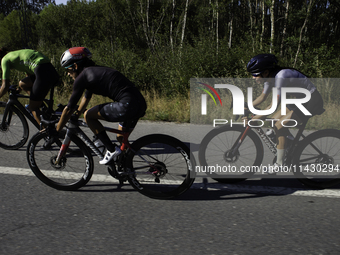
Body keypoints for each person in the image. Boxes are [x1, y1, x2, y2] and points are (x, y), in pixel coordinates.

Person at [56, 47, 147, 165]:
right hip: (139, 103)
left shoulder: (82, 77)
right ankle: (125, 167)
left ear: (75, 66)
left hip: (127, 105)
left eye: (68, 70)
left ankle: (111, 149)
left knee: (88, 115)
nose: (68, 74)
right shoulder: (94, 71)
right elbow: (86, 98)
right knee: (121, 138)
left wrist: (56, 130)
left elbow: (68, 109)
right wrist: (77, 114)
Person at [246, 53, 324, 168]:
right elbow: (262, 98)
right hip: (301, 100)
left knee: (279, 125)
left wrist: (253, 119)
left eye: (255, 74)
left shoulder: (281, 77)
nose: (253, 77)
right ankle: (291, 144)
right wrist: (247, 107)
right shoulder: (269, 78)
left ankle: (279, 163)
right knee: (273, 121)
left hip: (312, 102)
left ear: (266, 72)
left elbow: (272, 106)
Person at [0, 47, 59, 123]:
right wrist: (19, 90)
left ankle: (46, 132)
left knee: (33, 108)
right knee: (22, 84)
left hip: (41, 71)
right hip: (50, 70)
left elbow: (5, 86)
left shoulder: (4, 60)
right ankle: (42, 107)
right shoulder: (14, 55)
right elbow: (29, 77)